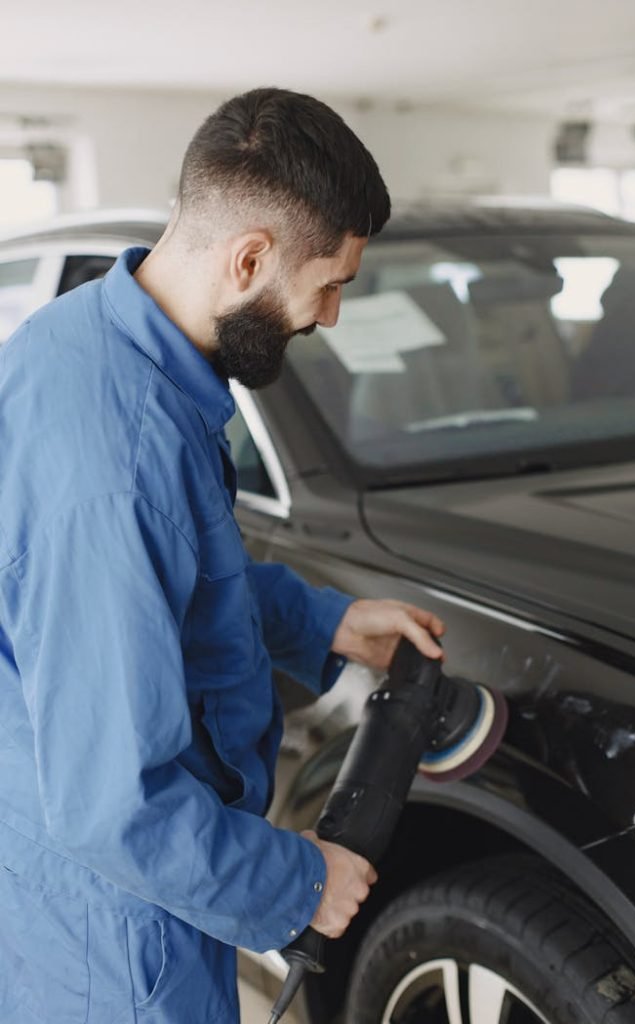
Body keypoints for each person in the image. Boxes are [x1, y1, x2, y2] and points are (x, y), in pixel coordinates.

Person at [0, 87, 444, 1023]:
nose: (328, 318)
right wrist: (295, 881)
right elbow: (115, 805)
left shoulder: (102, 347)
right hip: (115, 930)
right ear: (249, 259)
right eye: (328, 284)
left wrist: (323, 620)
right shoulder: (113, 458)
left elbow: (169, 578)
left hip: (105, 870)